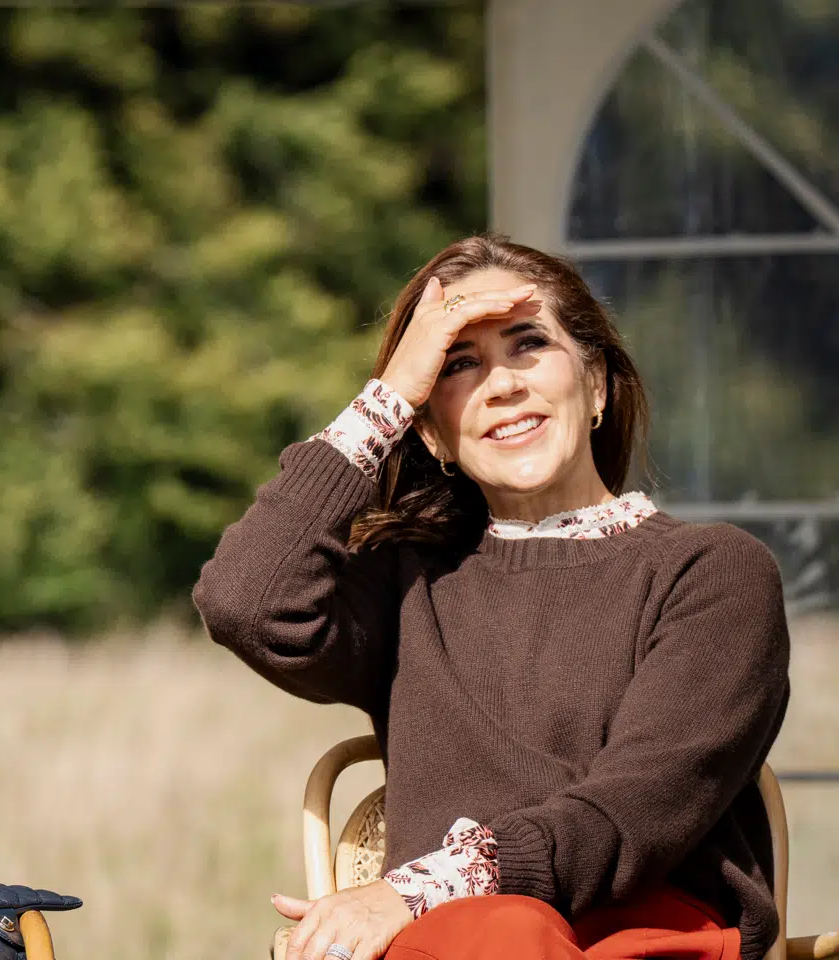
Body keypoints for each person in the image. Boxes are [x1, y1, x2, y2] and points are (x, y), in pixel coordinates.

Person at [193, 235, 789, 960]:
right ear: (434, 434)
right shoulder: (409, 584)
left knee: (504, 931)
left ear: (596, 385)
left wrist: (415, 889)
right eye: (458, 366)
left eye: (528, 345)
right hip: (449, 945)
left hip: (643, 935)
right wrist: (387, 399)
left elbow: (632, 813)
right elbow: (243, 602)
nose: (502, 385)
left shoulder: (714, 573)